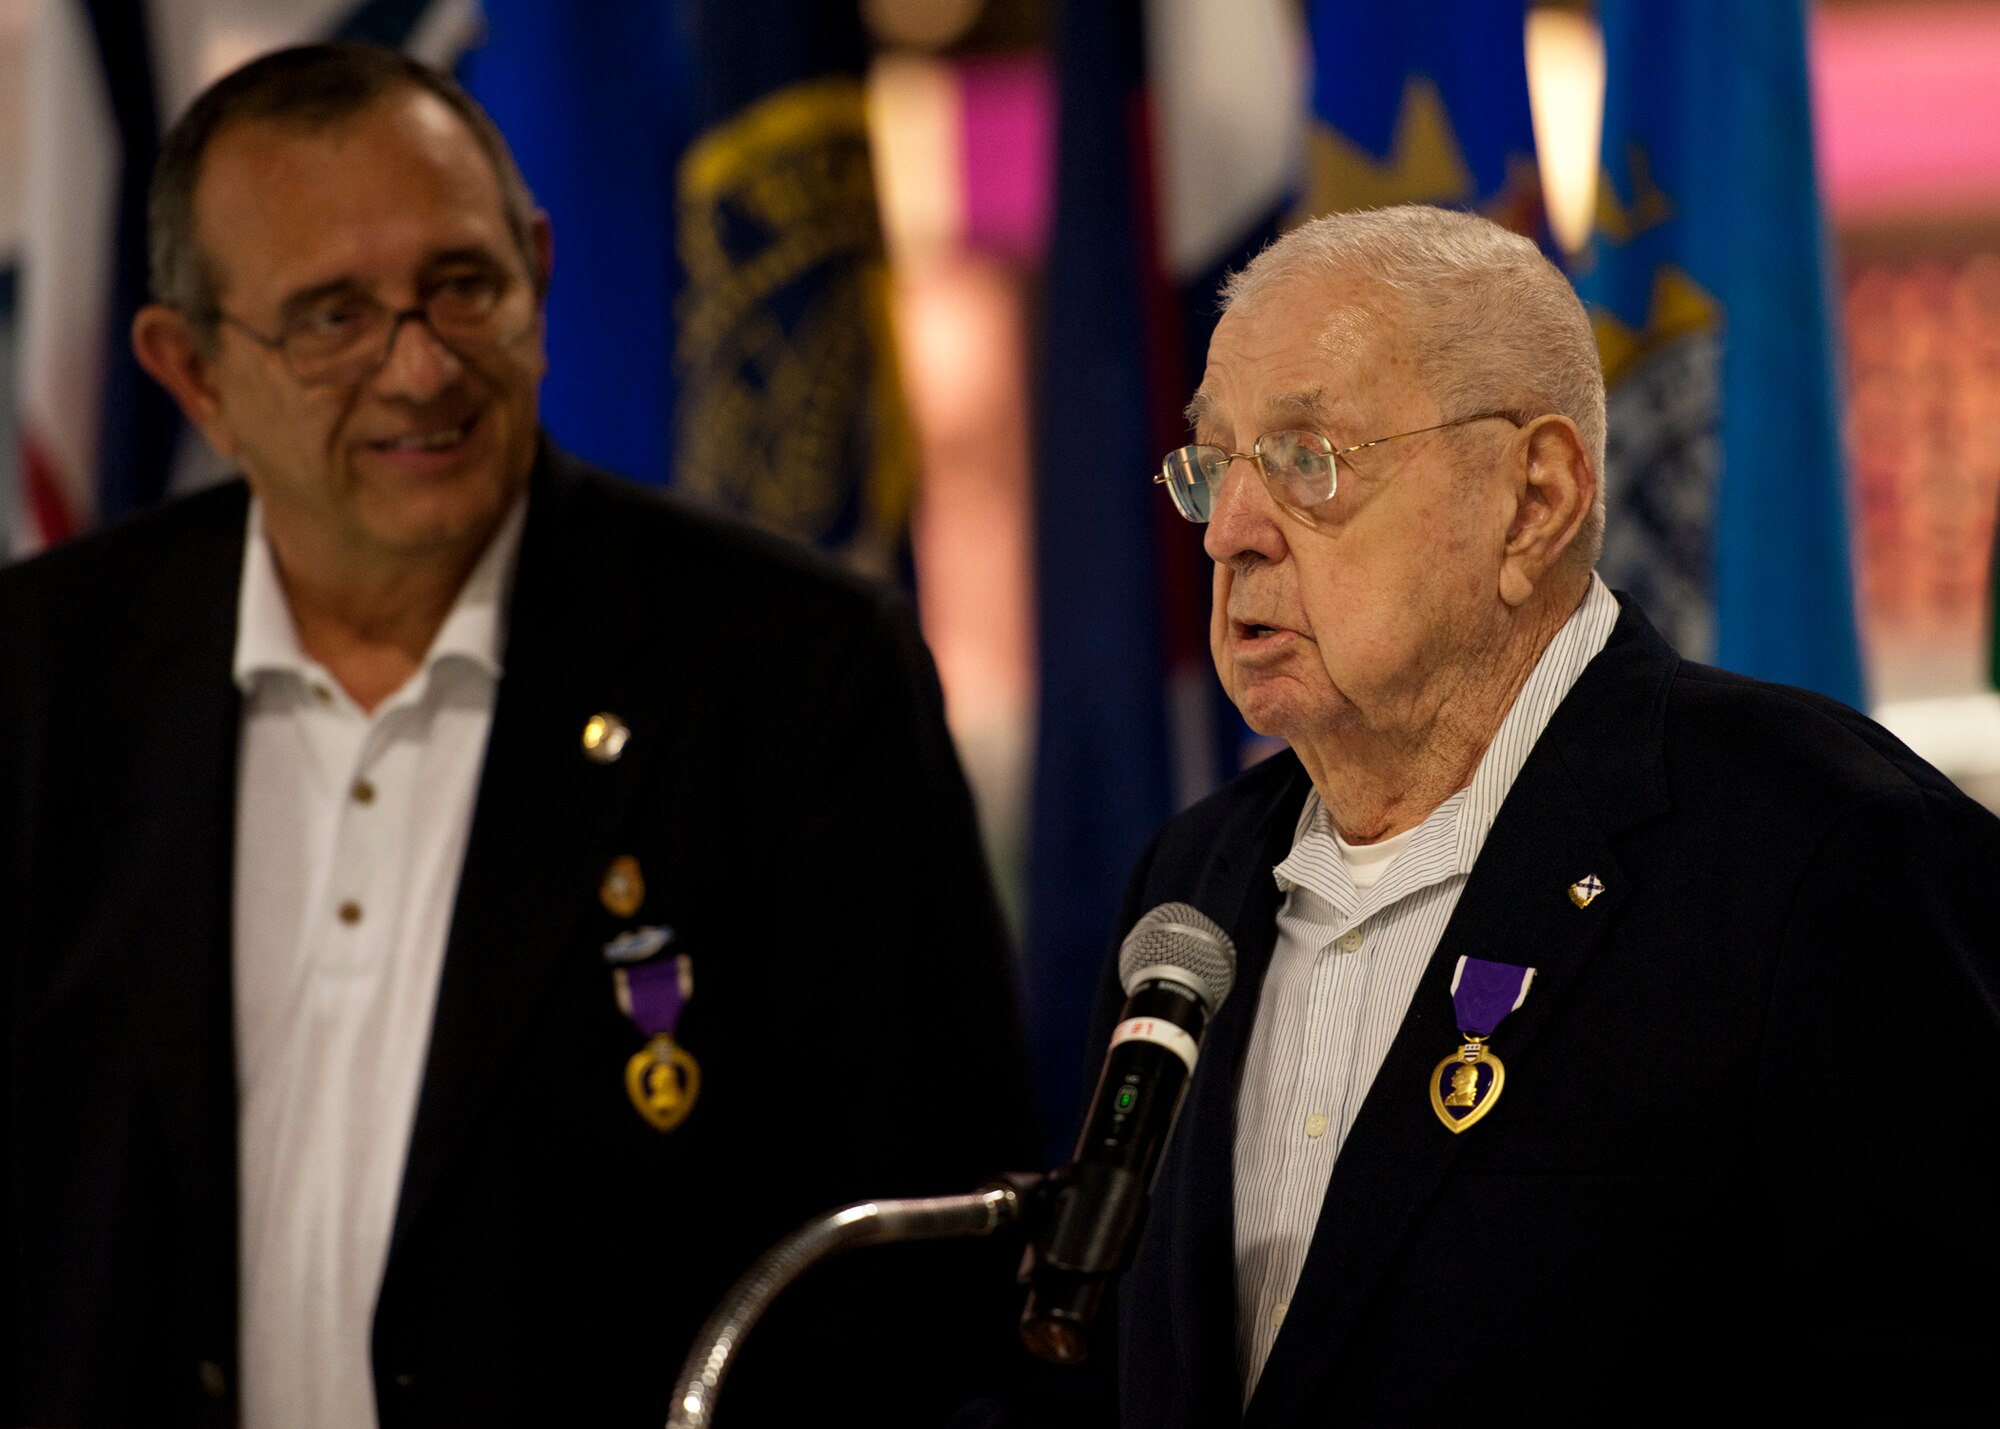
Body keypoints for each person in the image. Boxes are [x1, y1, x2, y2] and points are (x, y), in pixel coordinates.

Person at [0, 43, 1036, 1429]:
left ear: (539, 276)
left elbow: (925, 1257)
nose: (421, 366)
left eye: (462, 286)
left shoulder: (792, 674)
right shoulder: (40, 674)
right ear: (192, 371)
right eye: (332, 318)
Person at [1081, 204, 2000, 1423]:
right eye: (1211, 465)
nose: (1232, 534)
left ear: (1533, 499)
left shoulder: (1826, 854)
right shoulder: (1190, 883)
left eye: (1306, 458)